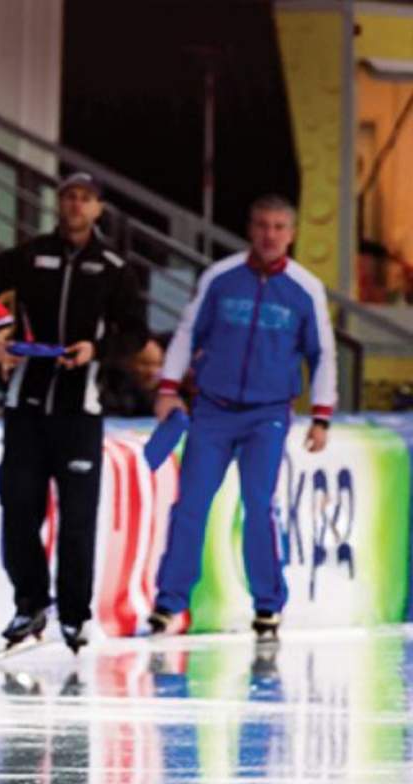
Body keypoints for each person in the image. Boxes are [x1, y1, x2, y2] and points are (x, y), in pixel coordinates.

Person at [0, 172, 147, 654]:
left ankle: (77, 615)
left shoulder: (113, 266)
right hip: (26, 402)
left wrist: (95, 349)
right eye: (69, 197)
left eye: (85, 198)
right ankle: (30, 604)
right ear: (59, 204)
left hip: (80, 408)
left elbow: (136, 333)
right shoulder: (30, 254)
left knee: (78, 516)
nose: (76, 205)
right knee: (18, 506)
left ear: (99, 208)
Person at [147, 195, 334, 644]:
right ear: (250, 229)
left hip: (266, 415)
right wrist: (169, 388)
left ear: (291, 234)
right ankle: (169, 602)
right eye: (262, 226)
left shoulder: (306, 288)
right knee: (190, 505)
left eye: (279, 227)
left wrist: (322, 415)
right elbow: (189, 332)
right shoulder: (221, 278)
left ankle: (268, 605)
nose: (269, 235)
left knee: (258, 506)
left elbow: (322, 352)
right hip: (213, 410)